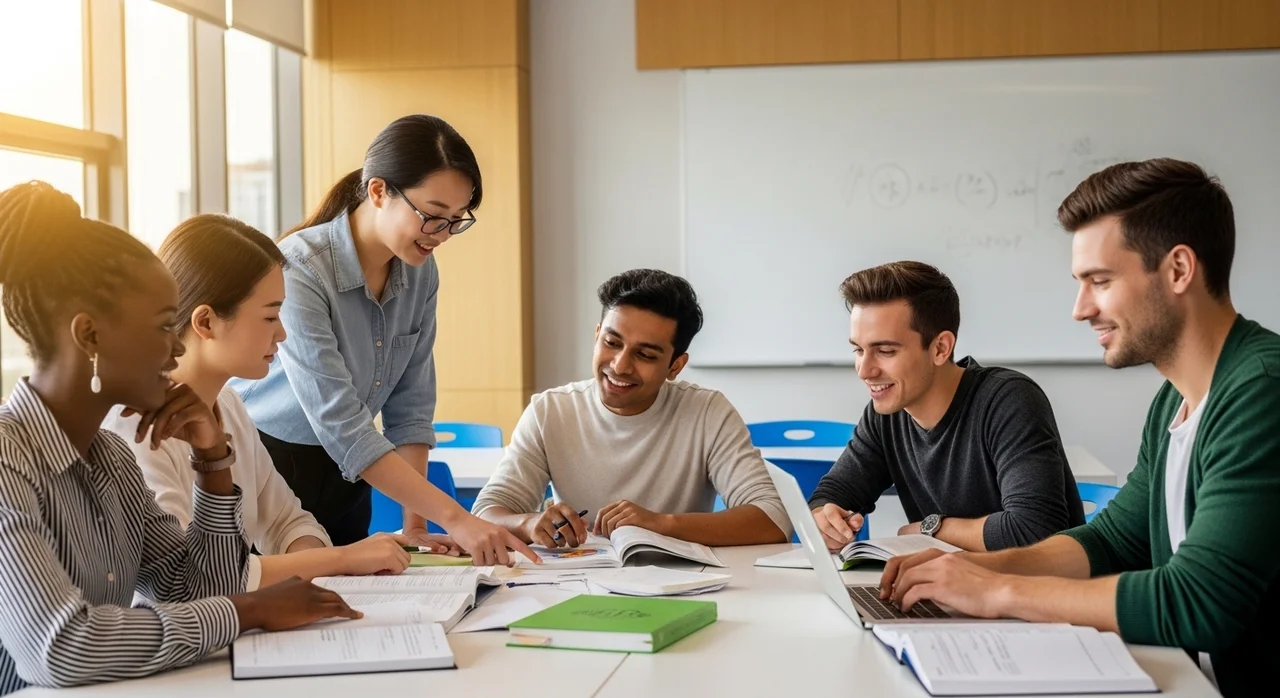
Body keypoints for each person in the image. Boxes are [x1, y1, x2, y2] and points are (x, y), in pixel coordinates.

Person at [879, 158, 1280, 698]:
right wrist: (978, 572)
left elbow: (1200, 600)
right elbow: (1114, 541)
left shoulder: (1261, 389)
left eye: (1100, 281)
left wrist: (999, 592)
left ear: (1179, 270)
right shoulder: (1174, 401)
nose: (1080, 308)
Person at [0, 182, 359, 695]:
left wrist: (212, 461)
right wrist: (249, 611)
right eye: (162, 326)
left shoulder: (112, 461)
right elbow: (62, 647)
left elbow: (195, 589)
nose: (176, 349)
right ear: (89, 336)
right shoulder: (7, 461)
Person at [229, 115, 537, 567]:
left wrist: (416, 528)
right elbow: (342, 422)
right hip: (270, 465)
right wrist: (457, 519)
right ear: (378, 191)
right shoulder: (302, 268)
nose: (442, 235)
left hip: (348, 477)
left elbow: (409, 409)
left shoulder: (420, 271)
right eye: (432, 216)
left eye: (456, 220)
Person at [103, 214, 459, 591]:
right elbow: (186, 582)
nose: (283, 332)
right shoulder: (135, 426)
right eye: (271, 315)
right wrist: (342, 558)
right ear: (206, 322)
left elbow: (287, 522)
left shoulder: (230, 408)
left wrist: (322, 563)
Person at [473, 269, 790, 548]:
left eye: (646, 355)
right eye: (611, 343)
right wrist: (527, 524)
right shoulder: (549, 411)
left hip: (679, 586)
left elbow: (774, 519)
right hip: (576, 587)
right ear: (597, 335)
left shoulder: (707, 412)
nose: (620, 366)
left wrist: (660, 524)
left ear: (675, 366)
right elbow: (487, 512)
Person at [807, 261, 1084, 552]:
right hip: (954, 588)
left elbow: (1034, 530)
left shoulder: (1008, 399)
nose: (864, 371)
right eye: (858, 350)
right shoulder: (887, 413)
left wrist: (931, 529)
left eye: (885, 351)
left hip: (1035, 589)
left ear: (941, 348)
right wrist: (825, 519)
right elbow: (833, 494)